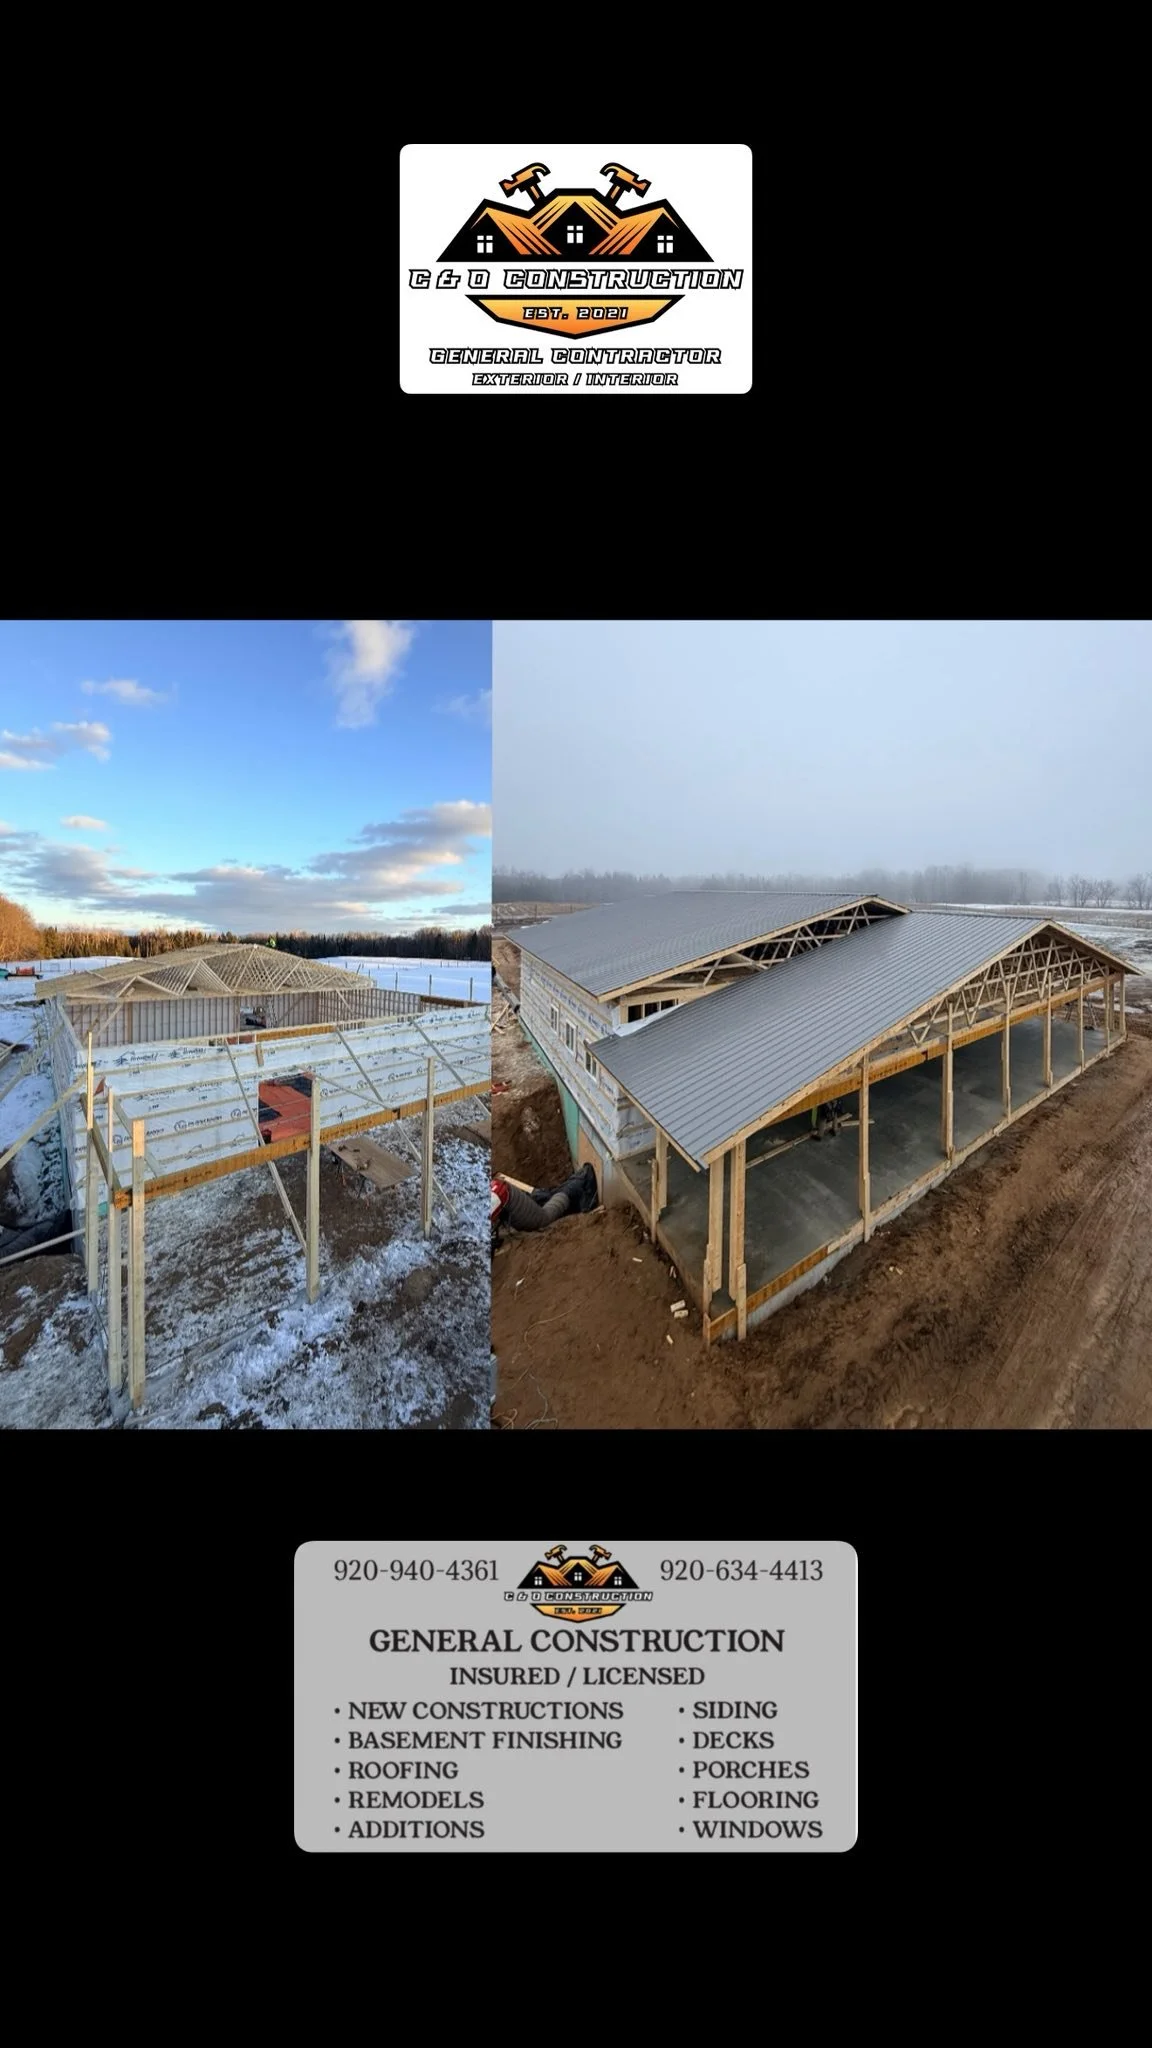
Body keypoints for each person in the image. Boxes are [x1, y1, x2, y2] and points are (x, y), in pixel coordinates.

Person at [491, 1162, 598, 1234]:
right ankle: (544, 1197)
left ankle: (580, 1183)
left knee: (543, 1220)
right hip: (498, 1195)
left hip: (501, 1195)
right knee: (542, 1201)